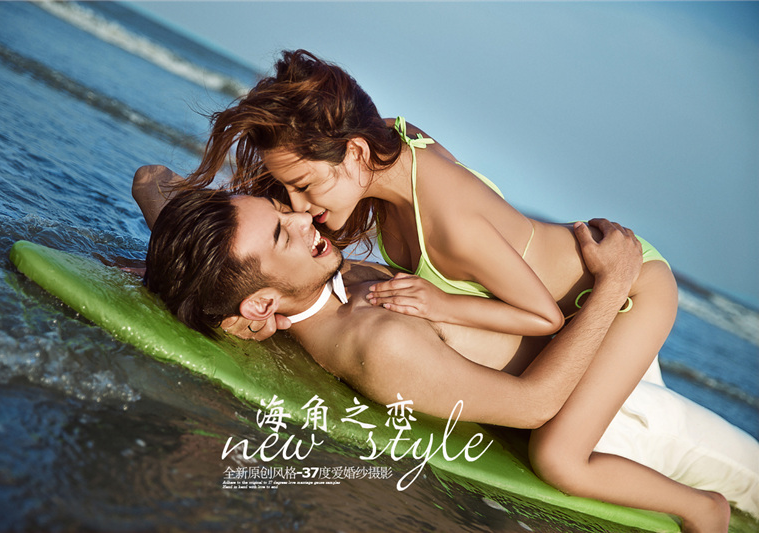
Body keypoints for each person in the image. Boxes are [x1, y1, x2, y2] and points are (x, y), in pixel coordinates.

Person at [159, 50, 709, 529]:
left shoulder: (450, 228)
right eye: (286, 195)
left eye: (302, 187)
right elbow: (161, 186)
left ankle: (703, 511)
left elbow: (545, 321)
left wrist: (609, 282)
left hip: (626, 287)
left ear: (355, 154)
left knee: (560, 460)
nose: (301, 209)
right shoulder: (383, 147)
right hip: (562, 295)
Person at [138, 186, 758, 532]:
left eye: (282, 210)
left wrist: (159, 206)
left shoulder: (307, 292)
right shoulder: (378, 342)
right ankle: (702, 509)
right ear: (258, 306)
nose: (302, 217)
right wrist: (614, 283)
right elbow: (534, 405)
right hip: (625, 422)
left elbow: (166, 201)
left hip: (601, 352)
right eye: (281, 233)